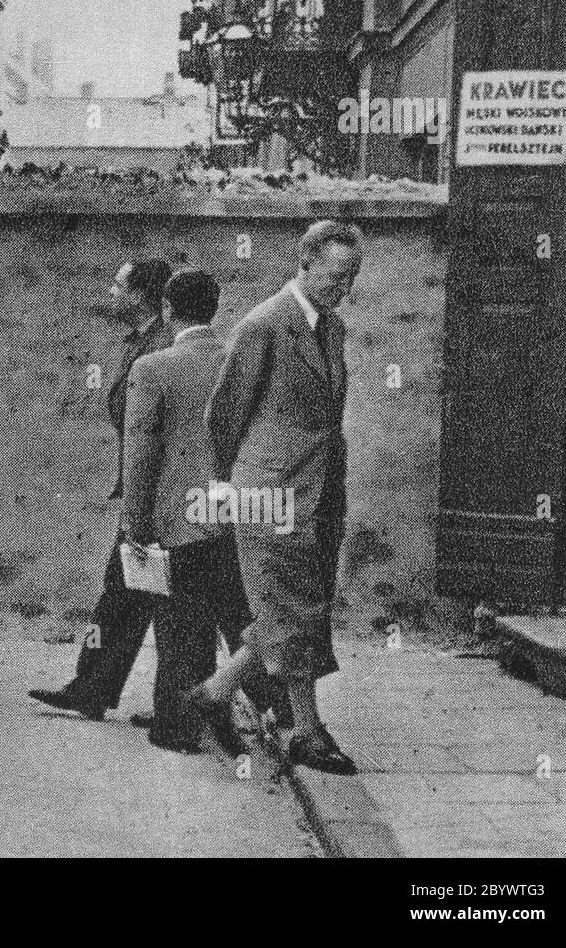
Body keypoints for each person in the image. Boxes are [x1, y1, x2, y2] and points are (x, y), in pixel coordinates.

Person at [202, 220, 364, 775]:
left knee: (291, 604)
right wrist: (225, 485)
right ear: (306, 262)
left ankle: (216, 692)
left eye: (352, 278)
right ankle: (307, 730)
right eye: (337, 276)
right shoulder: (265, 324)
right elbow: (223, 412)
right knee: (297, 605)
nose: (345, 288)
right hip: (268, 489)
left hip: (319, 489)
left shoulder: (333, 328)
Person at [120, 267, 285, 753]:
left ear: (168, 309)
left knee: (181, 626)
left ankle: (177, 725)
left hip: (180, 519)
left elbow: (141, 453)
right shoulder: (241, 361)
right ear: (214, 308)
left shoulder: (154, 368)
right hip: (240, 512)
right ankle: (278, 711)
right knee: (242, 617)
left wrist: (135, 519)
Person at [28, 257, 173, 719]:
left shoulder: (163, 345)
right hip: (146, 491)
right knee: (127, 596)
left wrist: (142, 498)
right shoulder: (142, 342)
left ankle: (252, 699)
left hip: (161, 495)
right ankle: (93, 687)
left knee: (177, 601)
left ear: (140, 295)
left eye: (118, 285)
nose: (112, 293)